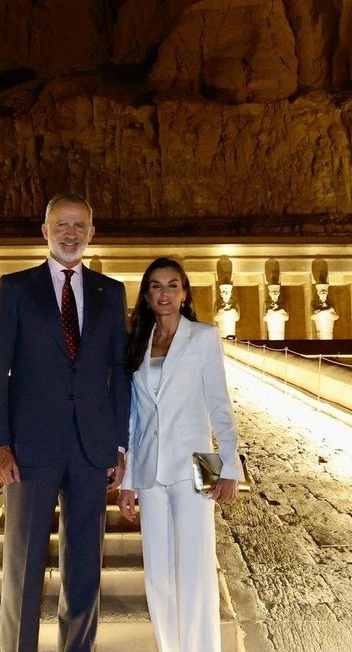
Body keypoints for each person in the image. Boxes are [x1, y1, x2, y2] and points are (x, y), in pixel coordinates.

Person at [0, 192, 130, 652]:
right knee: (23, 566)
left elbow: (119, 375)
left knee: (85, 568)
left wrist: (120, 447)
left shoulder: (112, 292)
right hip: (29, 449)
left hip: (92, 448)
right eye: (61, 226)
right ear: (46, 232)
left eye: (79, 226)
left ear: (92, 233)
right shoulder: (15, 288)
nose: (71, 234)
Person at [118, 257, 241, 652]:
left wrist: (230, 467)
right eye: (156, 286)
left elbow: (219, 406)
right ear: (147, 294)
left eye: (173, 285)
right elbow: (135, 415)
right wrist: (127, 482)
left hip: (198, 466)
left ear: (185, 292)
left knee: (197, 568)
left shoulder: (204, 337)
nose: (165, 293)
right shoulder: (137, 341)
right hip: (149, 468)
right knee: (157, 571)